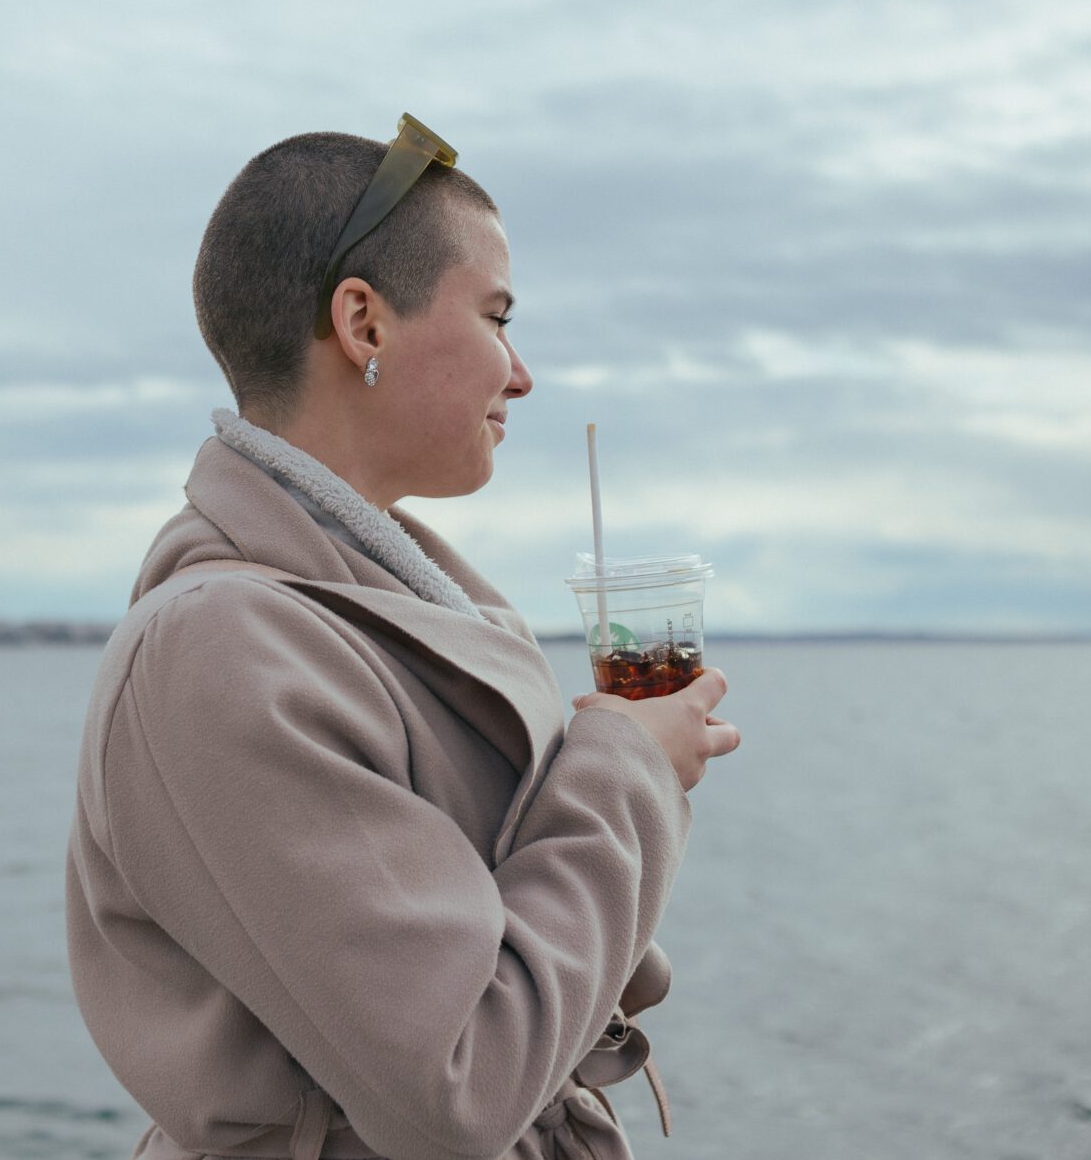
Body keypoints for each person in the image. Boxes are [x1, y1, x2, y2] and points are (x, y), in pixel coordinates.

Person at [64, 114, 740, 1160]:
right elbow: (453, 1088)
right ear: (362, 325)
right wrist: (626, 775)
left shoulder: (390, 611)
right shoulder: (219, 650)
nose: (520, 374)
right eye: (496, 317)